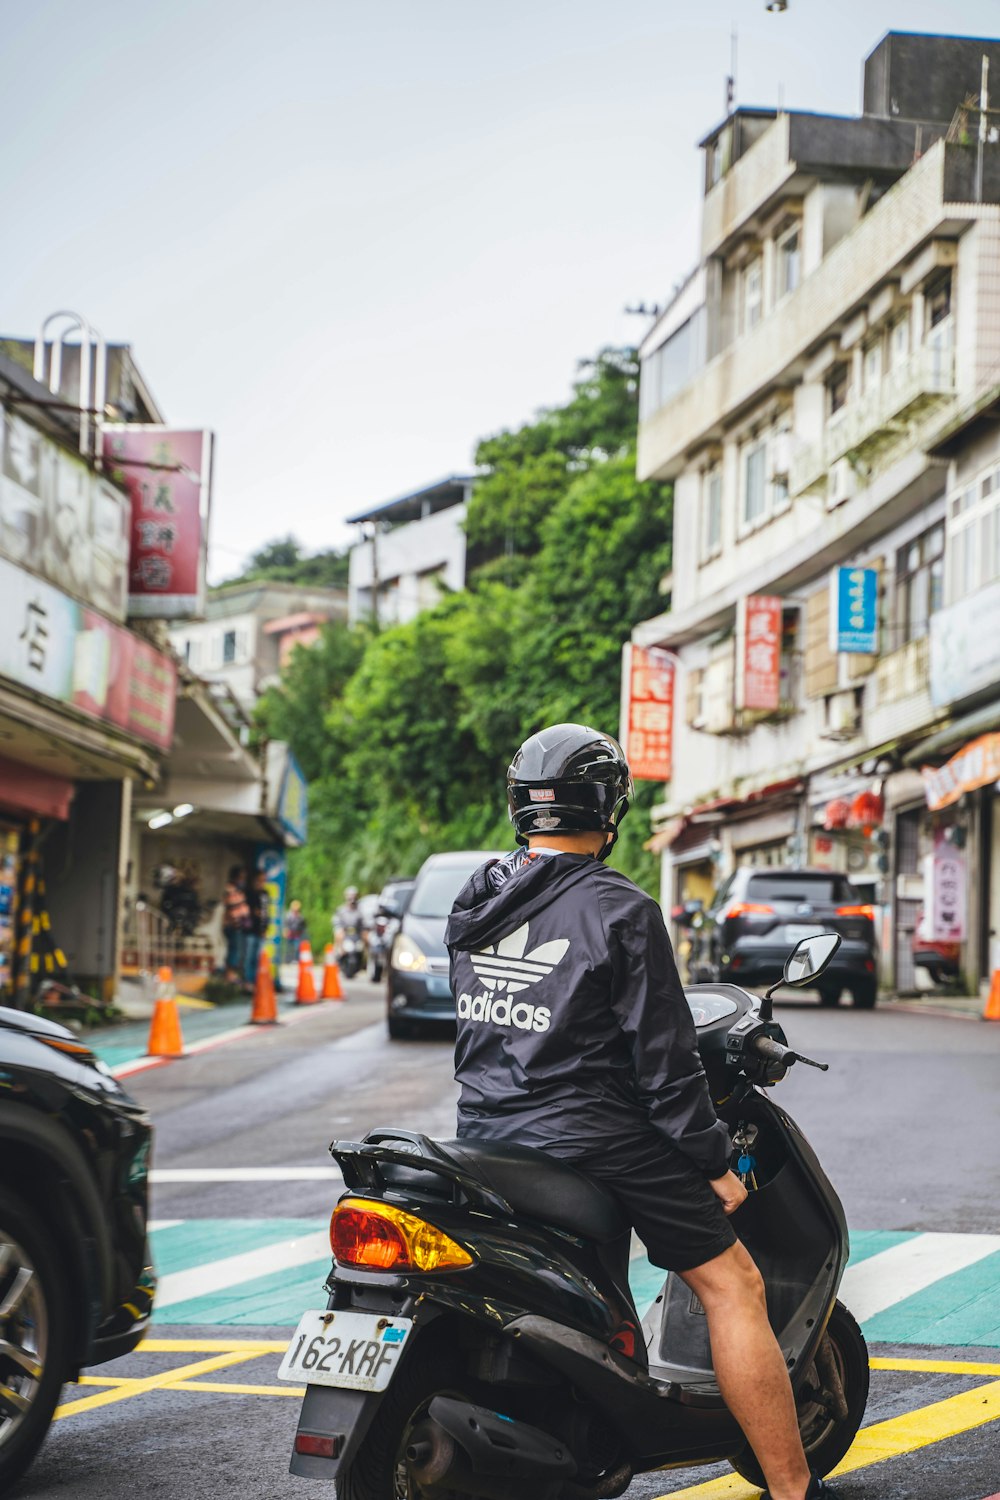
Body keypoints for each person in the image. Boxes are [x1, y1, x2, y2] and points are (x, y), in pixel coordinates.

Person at [445, 723, 835, 1500]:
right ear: (609, 805)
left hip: (485, 1131)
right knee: (734, 1285)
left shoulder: (478, 896)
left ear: (522, 807)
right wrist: (715, 1161)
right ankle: (793, 1490)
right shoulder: (619, 907)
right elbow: (665, 1065)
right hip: (590, 1136)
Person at [222, 865, 250, 983]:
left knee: (237, 950)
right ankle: (230, 975)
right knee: (233, 950)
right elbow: (233, 906)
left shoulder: (239, 890)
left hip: (239, 925)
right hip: (233, 925)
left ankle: (234, 974)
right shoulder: (230, 889)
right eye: (240, 877)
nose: (242, 880)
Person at [244, 869, 271, 990]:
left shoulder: (265, 894)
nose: (262, 882)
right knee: (248, 957)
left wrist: (265, 928)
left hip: (260, 930)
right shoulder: (248, 893)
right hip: (249, 930)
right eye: (260, 880)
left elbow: (266, 913)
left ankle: (256, 982)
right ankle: (247, 982)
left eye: (264, 880)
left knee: (258, 958)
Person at [283, 899, 306, 963]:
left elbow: (303, 926)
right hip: (290, 934)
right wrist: (285, 931)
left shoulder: (300, 916)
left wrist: (301, 932)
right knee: (289, 948)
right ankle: (287, 960)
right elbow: (286, 924)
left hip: (297, 935)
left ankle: (295, 960)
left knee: (297, 948)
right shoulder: (289, 915)